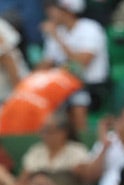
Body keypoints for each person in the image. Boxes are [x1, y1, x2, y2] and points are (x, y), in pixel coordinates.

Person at [37, 0, 110, 130]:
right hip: (62, 86)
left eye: (53, 8)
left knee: (77, 97)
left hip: (91, 86)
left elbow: (81, 63)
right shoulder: (57, 31)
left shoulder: (90, 28)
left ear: (67, 10)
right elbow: (45, 65)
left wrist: (57, 38)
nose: (49, 12)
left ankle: (81, 141)